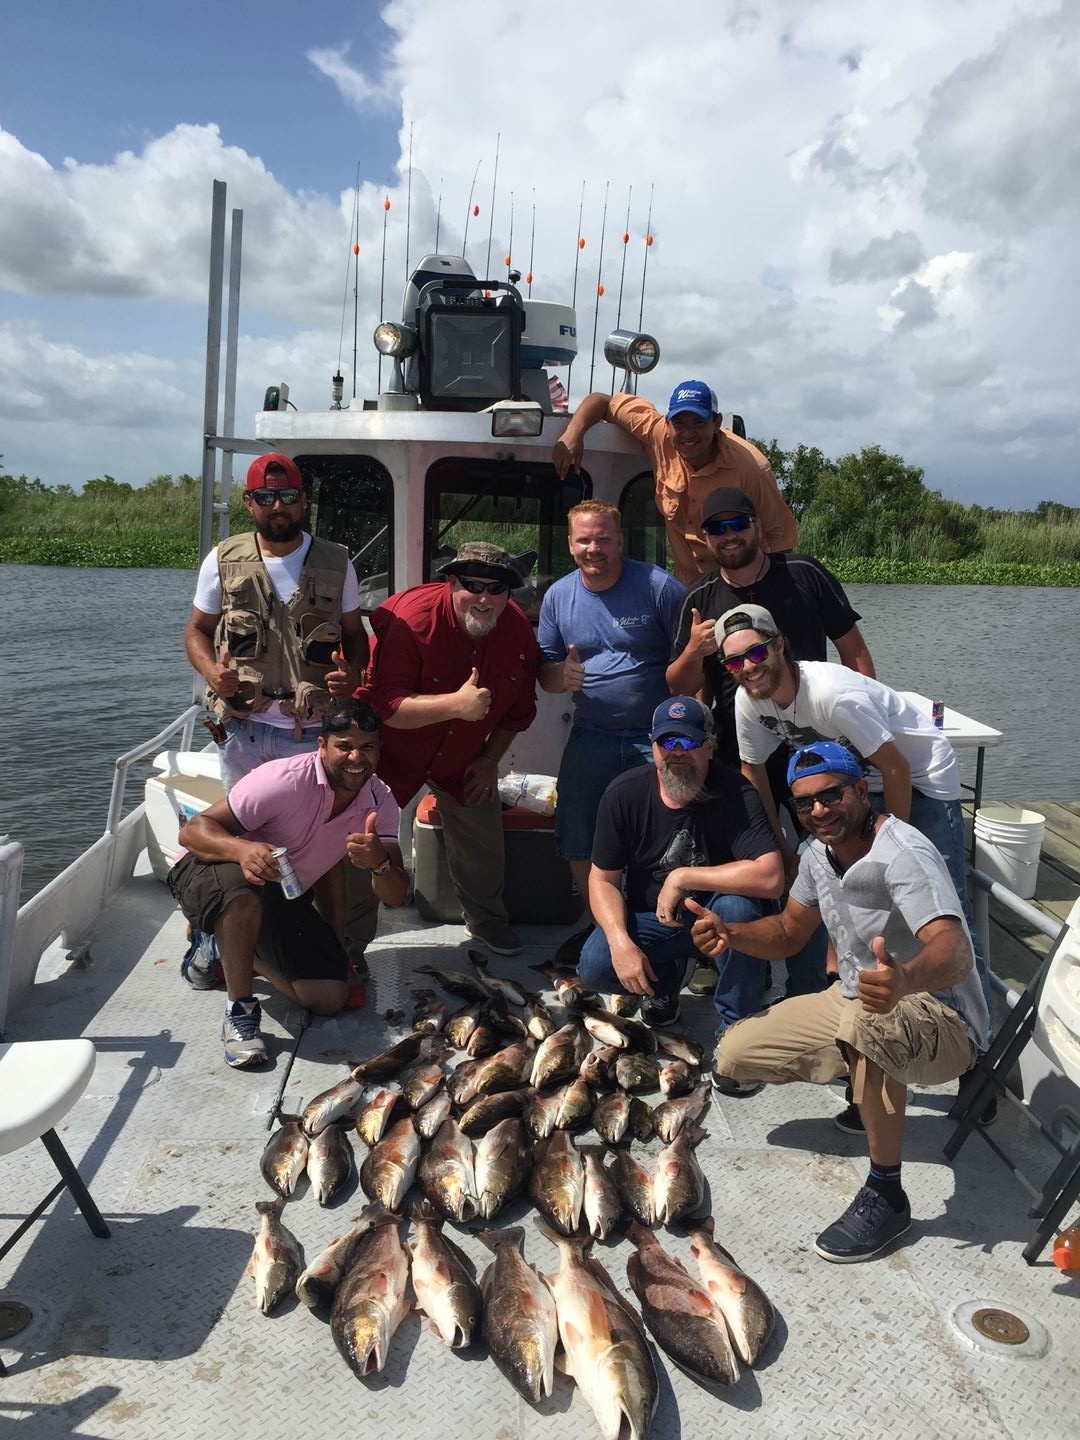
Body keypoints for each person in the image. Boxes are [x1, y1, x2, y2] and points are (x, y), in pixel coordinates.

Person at [689, 741, 990, 1262]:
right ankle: (863, 1083)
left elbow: (956, 951)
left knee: (871, 1028)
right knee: (733, 1057)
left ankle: (886, 1192)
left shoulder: (904, 853)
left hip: (940, 1011)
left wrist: (904, 979)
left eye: (831, 795)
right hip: (854, 995)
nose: (819, 811)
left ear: (860, 790)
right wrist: (730, 933)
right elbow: (787, 931)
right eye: (805, 804)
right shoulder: (815, 856)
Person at [715, 602, 993, 1021]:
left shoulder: (832, 696)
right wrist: (784, 848)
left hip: (917, 778)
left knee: (945, 902)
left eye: (756, 652)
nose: (748, 667)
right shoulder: (748, 702)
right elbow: (752, 770)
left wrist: (888, 851)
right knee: (811, 884)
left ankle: (977, 1032)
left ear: (780, 646)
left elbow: (896, 767)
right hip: (849, 783)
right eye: (735, 660)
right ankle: (811, 996)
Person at [668, 499, 874, 998]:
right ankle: (745, 964)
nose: (729, 535)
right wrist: (696, 649)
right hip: (743, 752)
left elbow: (855, 651)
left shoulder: (804, 573)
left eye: (738, 524)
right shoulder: (698, 595)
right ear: (705, 540)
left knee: (827, 858)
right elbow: (676, 684)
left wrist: (853, 745)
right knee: (756, 861)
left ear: (759, 528)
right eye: (717, 528)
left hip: (815, 751)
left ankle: (820, 978)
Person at [167, 699, 407, 1069]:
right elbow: (193, 832)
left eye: (368, 747)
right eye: (344, 746)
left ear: (379, 750)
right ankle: (240, 1012)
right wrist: (242, 850)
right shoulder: (282, 780)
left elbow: (392, 893)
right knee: (243, 893)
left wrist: (379, 865)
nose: (356, 758)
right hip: (206, 870)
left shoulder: (380, 801)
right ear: (322, 745)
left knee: (329, 998)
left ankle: (228, 949)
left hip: (279, 892)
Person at [366, 541, 540, 957]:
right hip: (391, 751)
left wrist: (489, 760)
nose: (484, 598)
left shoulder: (517, 632)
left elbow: (518, 713)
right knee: (363, 833)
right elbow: (385, 706)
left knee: (482, 830)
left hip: (463, 755)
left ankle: (485, 920)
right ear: (450, 581)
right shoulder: (412, 620)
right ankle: (349, 930)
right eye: (472, 585)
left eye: (497, 589)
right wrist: (455, 707)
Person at [537, 500, 686, 965]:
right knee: (577, 830)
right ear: (569, 544)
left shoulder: (660, 588)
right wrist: (561, 675)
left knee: (670, 833)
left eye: (603, 538)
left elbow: (692, 661)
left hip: (655, 736)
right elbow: (544, 670)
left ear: (620, 540)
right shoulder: (558, 597)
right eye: (584, 539)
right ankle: (599, 927)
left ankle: (666, 928)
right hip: (592, 732)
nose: (593, 548)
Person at [578, 695, 784, 1028]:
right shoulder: (623, 794)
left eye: (688, 740)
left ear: (711, 745)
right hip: (655, 919)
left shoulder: (736, 793)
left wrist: (683, 877)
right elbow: (602, 880)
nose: (677, 751)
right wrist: (620, 942)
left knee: (739, 911)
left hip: (717, 917)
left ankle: (736, 1026)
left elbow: (771, 876)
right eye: (666, 740)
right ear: (653, 746)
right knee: (595, 965)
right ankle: (664, 982)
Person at [183, 453, 370, 793]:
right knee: (247, 832)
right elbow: (197, 629)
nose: (277, 507)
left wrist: (354, 672)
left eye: (288, 497)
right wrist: (211, 671)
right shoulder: (221, 560)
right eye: (265, 498)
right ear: (249, 502)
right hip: (243, 730)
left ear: (303, 500)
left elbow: (356, 634)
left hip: (312, 732)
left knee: (306, 831)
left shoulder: (339, 562)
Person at [551, 380, 797, 586]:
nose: (688, 433)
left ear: (717, 422)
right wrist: (573, 434)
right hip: (689, 589)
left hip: (744, 585)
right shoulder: (657, 433)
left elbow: (781, 543)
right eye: (679, 423)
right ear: (667, 423)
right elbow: (603, 401)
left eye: (698, 423)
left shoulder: (753, 468)